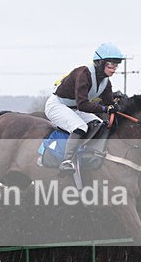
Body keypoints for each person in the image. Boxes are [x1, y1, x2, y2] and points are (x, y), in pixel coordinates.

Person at [45, 43, 126, 173]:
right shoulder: (83, 74)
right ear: (100, 63)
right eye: (111, 64)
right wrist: (105, 109)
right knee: (80, 127)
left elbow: (109, 103)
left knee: (99, 124)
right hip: (57, 105)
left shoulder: (105, 81)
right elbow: (83, 104)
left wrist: (120, 105)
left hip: (74, 108)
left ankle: (87, 154)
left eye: (117, 64)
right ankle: (67, 161)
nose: (114, 68)